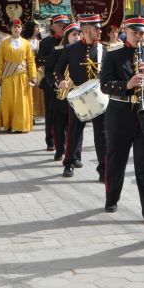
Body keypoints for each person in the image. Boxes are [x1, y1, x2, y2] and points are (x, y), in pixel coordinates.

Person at [99, 16, 144, 219]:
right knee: (116, 161)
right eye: (135, 32)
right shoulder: (113, 54)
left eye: (142, 33)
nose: (139, 36)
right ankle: (112, 199)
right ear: (126, 31)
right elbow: (104, 84)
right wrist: (126, 85)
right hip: (120, 114)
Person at [55, 14, 107, 181]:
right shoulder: (71, 49)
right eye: (96, 28)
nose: (100, 31)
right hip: (78, 96)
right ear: (86, 30)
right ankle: (69, 162)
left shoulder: (103, 49)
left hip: (99, 96)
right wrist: (62, 81)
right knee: (74, 131)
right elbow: (58, 69)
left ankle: (103, 169)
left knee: (102, 134)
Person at [0, 19, 37, 133]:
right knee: (8, 100)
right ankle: (8, 124)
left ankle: (20, 125)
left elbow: (31, 61)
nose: (16, 29)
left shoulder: (26, 43)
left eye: (18, 27)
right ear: (11, 29)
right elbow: (0, 61)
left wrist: (33, 75)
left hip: (22, 76)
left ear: (21, 29)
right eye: (14, 27)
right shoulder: (4, 43)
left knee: (21, 102)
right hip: (8, 76)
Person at [37, 15, 70, 153]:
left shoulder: (72, 41)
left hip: (68, 83)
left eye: (65, 25)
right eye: (60, 25)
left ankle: (67, 142)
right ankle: (50, 140)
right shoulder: (47, 43)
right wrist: (55, 58)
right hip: (51, 82)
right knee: (51, 113)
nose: (63, 27)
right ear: (53, 27)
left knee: (68, 114)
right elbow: (39, 60)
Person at [48, 23, 80, 162]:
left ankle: (76, 156)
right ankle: (60, 150)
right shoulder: (58, 50)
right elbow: (49, 71)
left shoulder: (81, 51)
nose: (77, 37)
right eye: (74, 35)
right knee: (59, 124)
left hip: (77, 93)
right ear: (67, 36)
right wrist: (57, 83)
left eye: (79, 34)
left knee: (76, 126)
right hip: (60, 94)